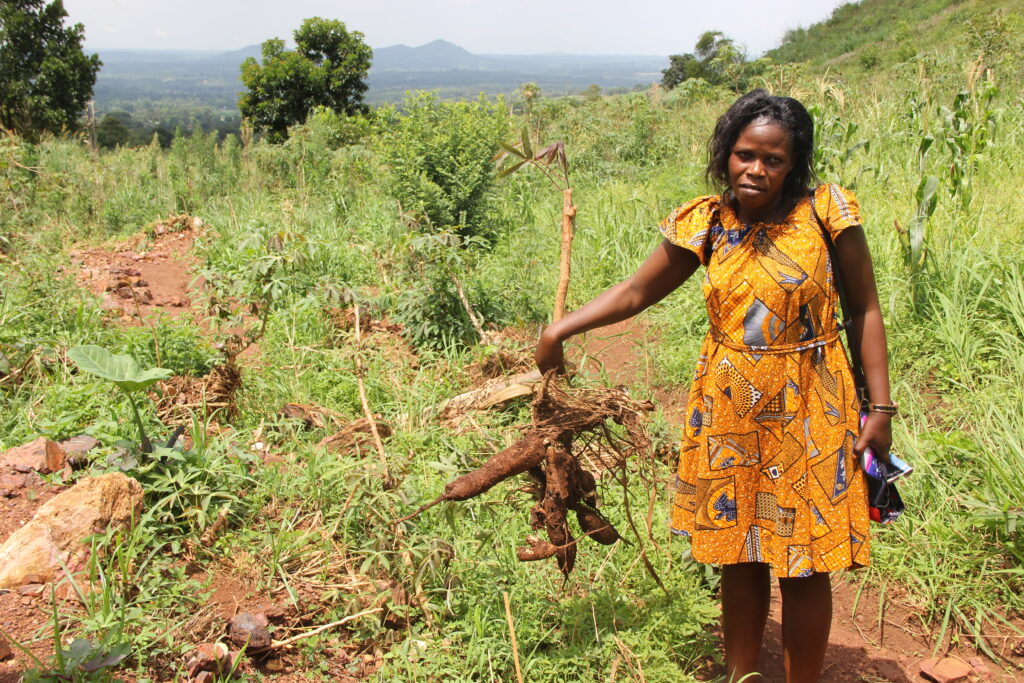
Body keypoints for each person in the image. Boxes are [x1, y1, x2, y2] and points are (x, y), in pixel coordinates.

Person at [534, 89, 895, 683]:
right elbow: (634, 292)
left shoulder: (826, 214)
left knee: (804, 561)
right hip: (729, 407)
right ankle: (742, 675)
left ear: (794, 163)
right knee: (740, 550)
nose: (756, 169)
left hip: (812, 402)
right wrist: (561, 329)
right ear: (726, 153)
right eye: (745, 154)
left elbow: (866, 308)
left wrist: (879, 407)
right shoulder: (707, 222)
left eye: (773, 160)